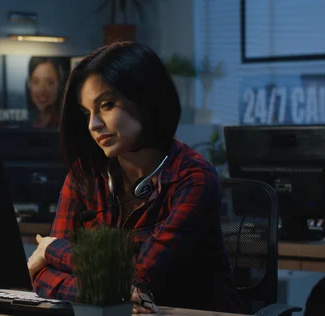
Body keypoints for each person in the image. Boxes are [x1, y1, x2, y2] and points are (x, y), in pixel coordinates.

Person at [27, 42, 244, 314]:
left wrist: (51, 249)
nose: (93, 124)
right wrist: (108, 292)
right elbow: (42, 276)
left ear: (146, 101)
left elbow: (140, 276)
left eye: (106, 105)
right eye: (86, 112)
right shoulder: (86, 175)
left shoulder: (193, 179)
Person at [26, 57, 65, 128]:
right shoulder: (26, 121)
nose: (42, 91)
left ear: (60, 85)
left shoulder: (65, 123)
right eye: (36, 82)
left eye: (50, 82)